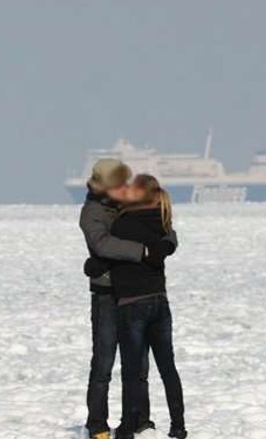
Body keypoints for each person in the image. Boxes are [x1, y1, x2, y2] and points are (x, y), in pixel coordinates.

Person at [80, 159, 176, 439]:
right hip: (107, 295)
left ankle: (139, 420)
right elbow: (102, 244)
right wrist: (143, 252)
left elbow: (162, 223)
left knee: (138, 364)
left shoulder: (127, 203)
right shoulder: (91, 213)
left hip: (135, 294)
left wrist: (166, 244)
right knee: (104, 362)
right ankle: (97, 424)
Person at [107, 175, 186, 439]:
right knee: (167, 367)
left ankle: (128, 428)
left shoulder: (123, 223)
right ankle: (178, 425)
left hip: (132, 304)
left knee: (131, 371)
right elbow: (168, 241)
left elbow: (106, 251)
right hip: (159, 301)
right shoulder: (161, 221)